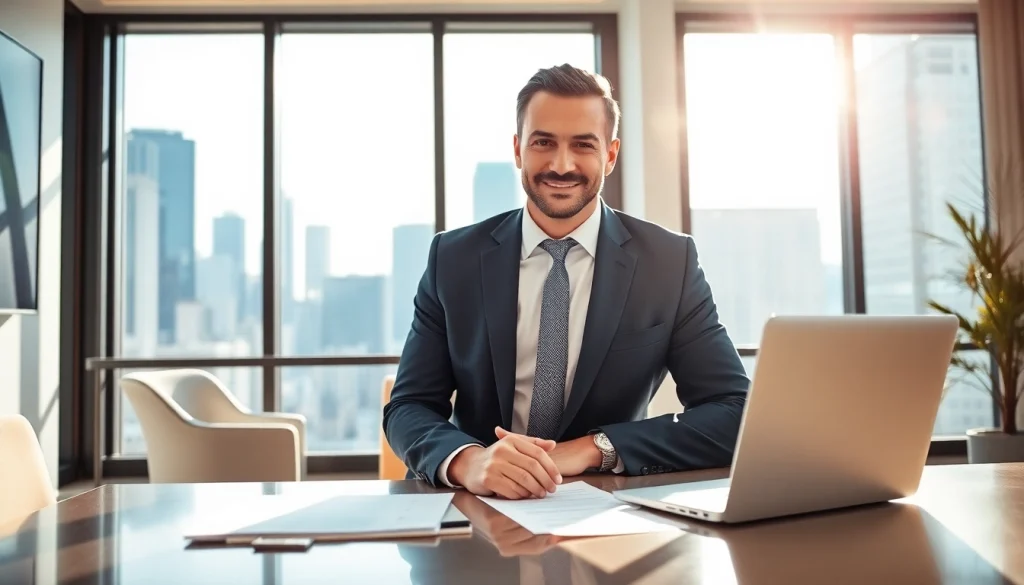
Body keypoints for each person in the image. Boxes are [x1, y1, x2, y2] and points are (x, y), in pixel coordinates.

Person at [383, 63, 749, 500]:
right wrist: (470, 461)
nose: (561, 164)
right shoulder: (454, 258)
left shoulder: (668, 262)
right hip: (474, 504)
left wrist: (595, 448)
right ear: (518, 150)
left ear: (610, 155)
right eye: (543, 143)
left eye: (583, 145)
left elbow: (734, 411)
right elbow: (408, 407)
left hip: (608, 509)